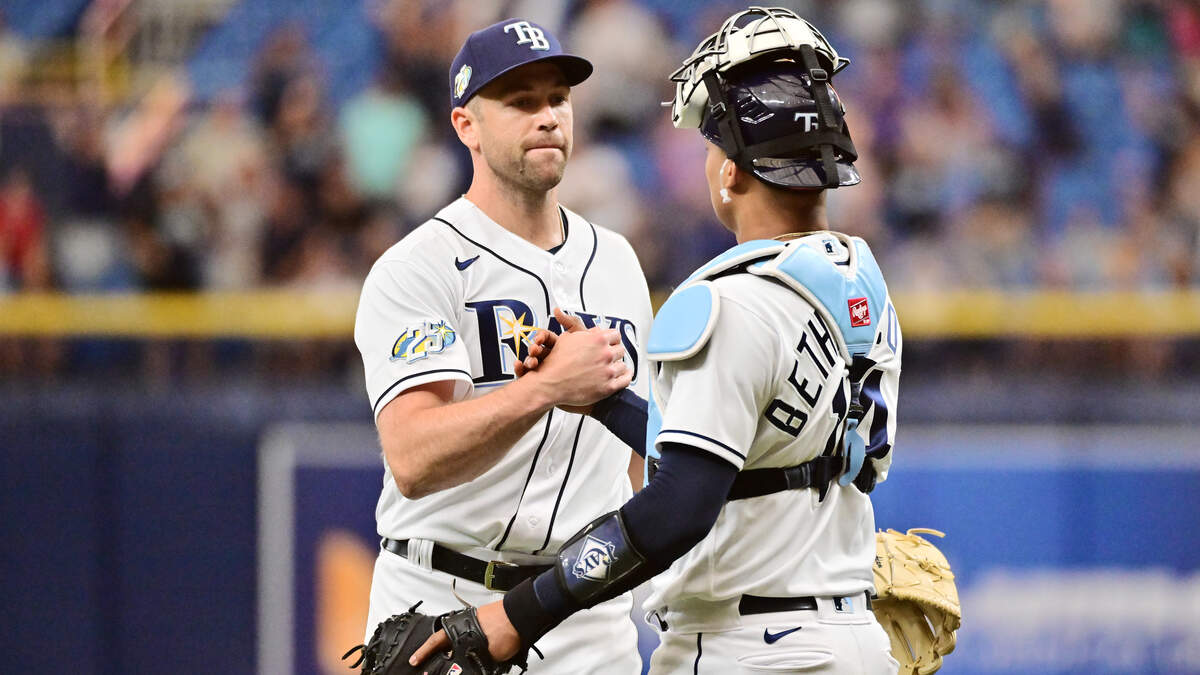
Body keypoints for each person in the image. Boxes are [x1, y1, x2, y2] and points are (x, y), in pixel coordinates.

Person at [412, 7, 903, 673]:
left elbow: (679, 506)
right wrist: (609, 403)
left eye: (711, 148)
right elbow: (734, 457)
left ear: (731, 172)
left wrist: (517, 614)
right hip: (849, 635)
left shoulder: (728, 301)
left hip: (750, 648)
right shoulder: (861, 284)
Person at [351, 18, 650, 674]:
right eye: (520, 101)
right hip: (443, 597)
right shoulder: (418, 267)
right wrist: (542, 389)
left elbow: (634, 462)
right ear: (467, 127)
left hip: (584, 614)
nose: (547, 116)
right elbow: (412, 456)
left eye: (557, 98)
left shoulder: (620, 262)